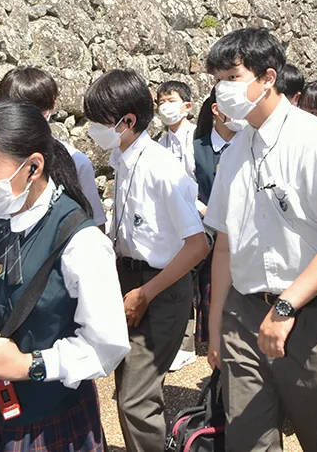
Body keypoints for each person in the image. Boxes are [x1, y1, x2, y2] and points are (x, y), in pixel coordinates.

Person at [0, 99, 130, 451]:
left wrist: (29, 365)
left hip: (49, 419)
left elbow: (106, 345)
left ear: (33, 166)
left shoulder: (80, 241)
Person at [205, 27, 317, 452]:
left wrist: (286, 305)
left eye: (232, 77)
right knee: (247, 440)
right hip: (243, 312)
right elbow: (224, 244)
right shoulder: (236, 151)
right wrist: (216, 323)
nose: (221, 89)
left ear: (268, 77)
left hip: (315, 318)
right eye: (217, 78)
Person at [84, 69, 210, 452]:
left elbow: (197, 245)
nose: (91, 128)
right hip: (130, 281)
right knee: (128, 391)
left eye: (98, 121)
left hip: (160, 288)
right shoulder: (123, 159)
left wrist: (145, 293)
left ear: (128, 121)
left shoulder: (159, 166)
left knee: (136, 399)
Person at [0, 67, 107, 231]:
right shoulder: (77, 161)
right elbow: (96, 224)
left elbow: (93, 224)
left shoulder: (74, 161)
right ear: (53, 104)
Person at [189, 88, 246, 344]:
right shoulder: (195, 147)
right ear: (216, 109)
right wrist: (207, 211)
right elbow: (185, 189)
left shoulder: (248, 146)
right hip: (210, 236)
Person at [156, 80, 197, 181]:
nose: (166, 106)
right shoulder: (160, 145)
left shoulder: (198, 137)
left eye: (171, 101)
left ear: (187, 106)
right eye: (162, 102)